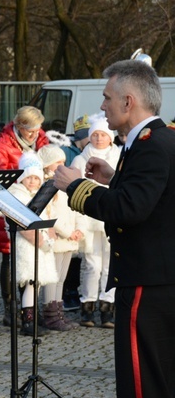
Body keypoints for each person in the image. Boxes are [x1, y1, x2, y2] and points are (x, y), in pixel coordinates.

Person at [54, 58, 175, 398]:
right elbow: (154, 197)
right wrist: (112, 178)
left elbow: (130, 209)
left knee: (143, 382)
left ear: (128, 102)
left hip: (146, 284)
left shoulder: (150, 145)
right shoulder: (160, 139)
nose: (102, 106)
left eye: (107, 97)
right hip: (159, 279)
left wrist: (76, 186)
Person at [0, 105, 49, 327]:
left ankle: (30, 307)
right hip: (11, 204)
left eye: (38, 130)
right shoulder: (2, 145)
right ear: (19, 126)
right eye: (30, 131)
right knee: (10, 256)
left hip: (36, 203)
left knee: (32, 258)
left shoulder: (41, 139)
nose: (35, 135)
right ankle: (10, 308)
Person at [69, 115, 120, 328]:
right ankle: (87, 305)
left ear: (110, 137)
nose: (99, 138)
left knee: (110, 265)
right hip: (88, 218)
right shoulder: (81, 159)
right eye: (95, 134)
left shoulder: (118, 157)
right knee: (91, 264)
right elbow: (73, 190)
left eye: (103, 134)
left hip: (111, 216)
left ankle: (108, 306)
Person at [5, 152, 58, 337]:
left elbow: (48, 219)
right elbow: (23, 226)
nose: (33, 181)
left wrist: (49, 239)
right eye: (29, 177)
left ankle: (34, 315)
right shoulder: (18, 195)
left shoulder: (39, 196)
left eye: (37, 178)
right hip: (28, 247)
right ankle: (28, 320)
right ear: (22, 179)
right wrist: (42, 242)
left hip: (40, 246)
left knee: (37, 282)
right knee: (30, 282)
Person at [36, 144, 81, 331]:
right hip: (58, 237)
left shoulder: (67, 183)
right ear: (47, 166)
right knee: (52, 277)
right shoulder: (49, 185)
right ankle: (50, 314)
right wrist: (66, 232)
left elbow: (75, 207)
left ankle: (58, 311)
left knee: (62, 277)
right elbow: (51, 215)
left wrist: (78, 229)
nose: (62, 166)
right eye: (57, 163)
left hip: (70, 238)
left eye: (64, 161)